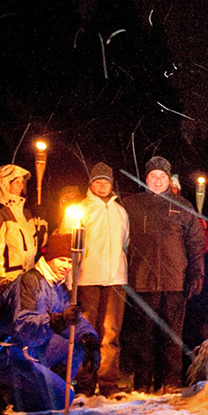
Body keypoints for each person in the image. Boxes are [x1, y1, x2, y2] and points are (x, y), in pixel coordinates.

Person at [0, 233, 99, 415]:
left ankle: (43, 392)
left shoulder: (56, 285)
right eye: (62, 260)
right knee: (64, 399)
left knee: (77, 343)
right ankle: (5, 392)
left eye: (71, 262)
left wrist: (90, 339)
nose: (67, 267)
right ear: (49, 258)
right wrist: (58, 320)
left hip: (33, 350)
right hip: (9, 355)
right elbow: (22, 326)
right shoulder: (29, 282)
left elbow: (73, 321)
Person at [122, 156, 206, 393]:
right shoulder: (131, 205)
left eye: (162, 177)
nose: (157, 181)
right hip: (142, 280)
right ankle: (143, 383)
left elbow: (196, 243)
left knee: (171, 335)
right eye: (153, 177)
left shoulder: (183, 206)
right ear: (146, 179)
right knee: (144, 335)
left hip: (174, 280)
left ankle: (170, 382)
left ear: (169, 180)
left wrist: (196, 274)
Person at [75, 162, 130, 396]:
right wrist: (71, 280)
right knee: (88, 334)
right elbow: (71, 246)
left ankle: (108, 384)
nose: (101, 185)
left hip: (116, 278)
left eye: (105, 181)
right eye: (97, 181)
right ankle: (85, 384)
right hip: (88, 278)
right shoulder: (81, 209)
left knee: (111, 333)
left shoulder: (120, 212)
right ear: (90, 184)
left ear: (111, 184)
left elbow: (125, 242)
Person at [0, 164, 47, 280]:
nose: (21, 186)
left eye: (22, 182)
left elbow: (39, 243)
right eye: (17, 182)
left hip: (28, 277)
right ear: (5, 184)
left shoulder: (26, 212)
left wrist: (42, 221)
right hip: (8, 278)